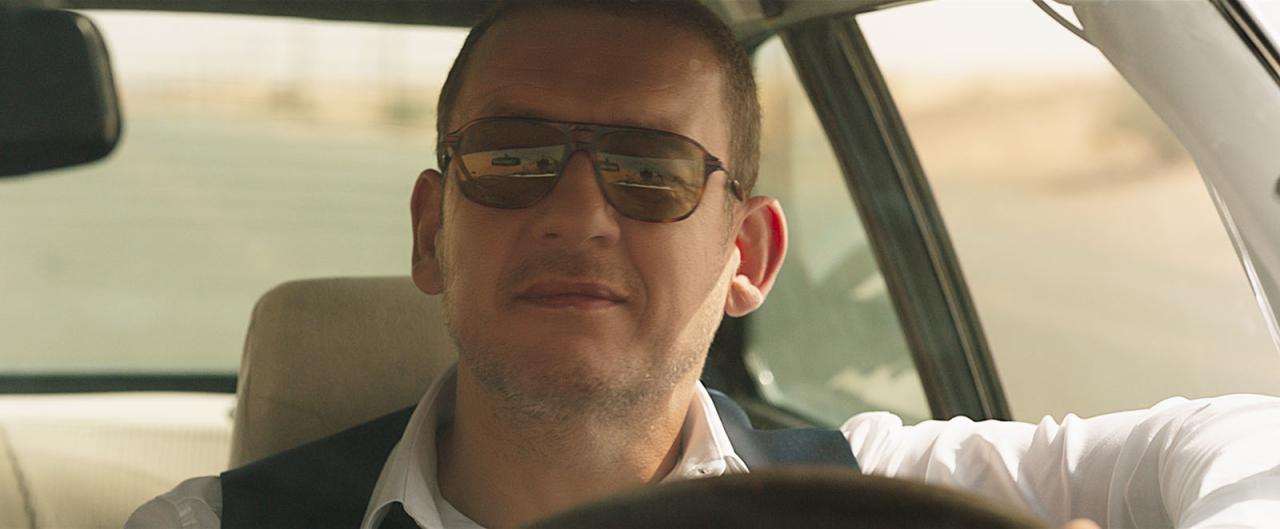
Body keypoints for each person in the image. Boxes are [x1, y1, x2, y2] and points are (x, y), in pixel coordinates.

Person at [126, 1, 1280, 528]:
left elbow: (1241, 439)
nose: (577, 213)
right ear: (432, 231)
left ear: (747, 254)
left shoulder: (865, 492)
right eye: (515, 156)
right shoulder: (207, 528)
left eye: (651, 170)